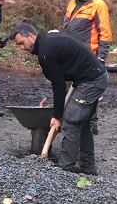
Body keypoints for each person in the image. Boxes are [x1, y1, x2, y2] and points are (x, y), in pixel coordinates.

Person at [11, 21, 108, 174]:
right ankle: (88, 167)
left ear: (30, 36)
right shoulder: (48, 40)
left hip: (91, 81)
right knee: (82, 123)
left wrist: (57, 116)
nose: (22, 48)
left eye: (22, 43)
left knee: (71, 121)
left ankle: (65, 169)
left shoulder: (45, 53)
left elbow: (59, 86)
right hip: (92, 77)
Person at [62, 0, 111, 133]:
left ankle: (91, 123)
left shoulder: (98, 5)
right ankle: (69, 119)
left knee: (88, 90)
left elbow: (105, 33)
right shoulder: (72, 2)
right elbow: (66, 24)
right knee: (70, 87)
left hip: (89, 56)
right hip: (70, 55)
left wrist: (101, 57)